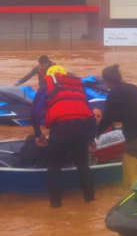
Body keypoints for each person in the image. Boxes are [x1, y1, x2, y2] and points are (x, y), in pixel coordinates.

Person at [34, 65, 96, 208]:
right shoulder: (77, 86)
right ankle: (90, 201)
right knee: (82, 165)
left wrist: (38, 134)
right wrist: (91, 139)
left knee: (54, 167)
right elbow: (90, 115)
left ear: (49, 75)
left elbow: (35, 112)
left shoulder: (47, 86)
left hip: (60, 129)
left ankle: (56, 206)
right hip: (81, 128)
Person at [97, 64, 137, 188]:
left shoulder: (114, 94)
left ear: (106, 80)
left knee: (133, 175)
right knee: (126, 167)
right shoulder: (133, 88)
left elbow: (107, 118)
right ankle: (123, 194)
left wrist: (94, 134)